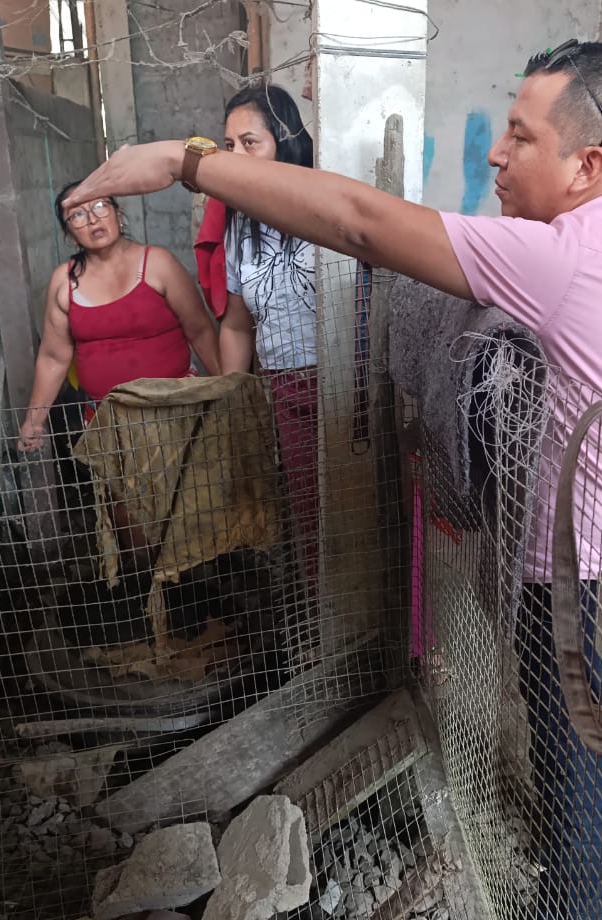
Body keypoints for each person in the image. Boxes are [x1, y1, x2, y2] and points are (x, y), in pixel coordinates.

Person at [64, 40, 602, 920]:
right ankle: (579, 897)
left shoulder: (573, 257)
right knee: (571, 735)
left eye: (521, 137)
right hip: (593, 558)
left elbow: (361, 222)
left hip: (583, 572)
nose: (497, 153)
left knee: (575, 744)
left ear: (587, 164)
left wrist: (182, 161)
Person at [18, 183, 221, 453]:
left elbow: (200, 331)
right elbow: (53, 358)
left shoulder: (159, 263)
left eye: (100, 206)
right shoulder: (64, 282)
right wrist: (34, 421)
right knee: (121, 482)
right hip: (108, 424)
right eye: (77, 215)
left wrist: (231, 389)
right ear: (70, 236)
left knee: (189, 479)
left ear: (118, 213)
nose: (92, 219)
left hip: (177, 413)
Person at [216, 83, 321, 598]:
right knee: (308, 517)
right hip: (284, 390)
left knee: (363, 508)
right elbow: (237, 325)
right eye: (228, 145)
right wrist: (230, 399)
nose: (235, 156)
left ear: (285, 141)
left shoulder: (326, 201)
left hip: (347, 390)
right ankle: (323, 621)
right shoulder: (240, 224)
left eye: (249, 142)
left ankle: (376, 628)